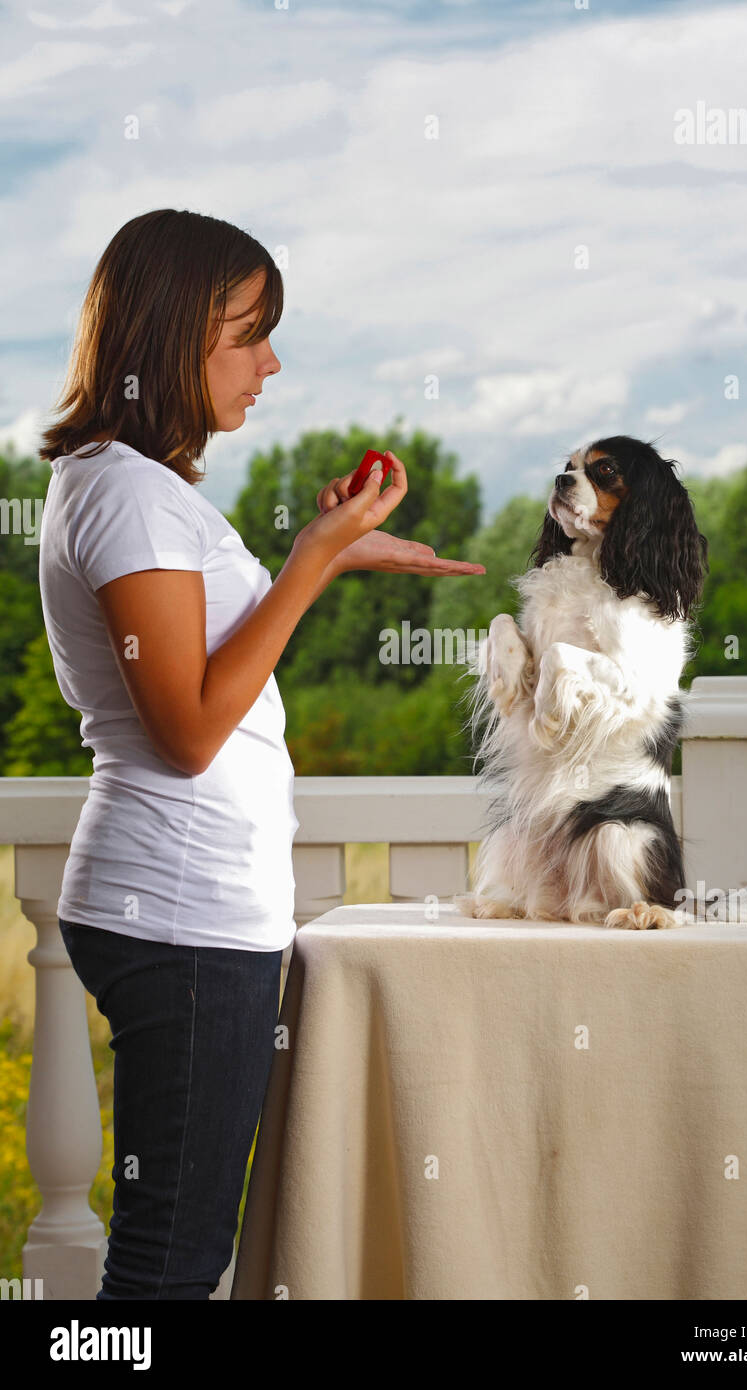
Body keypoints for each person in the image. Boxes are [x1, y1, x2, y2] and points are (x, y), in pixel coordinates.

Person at [37, 207, 485, 1300]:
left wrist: (322, 563)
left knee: (173, 1251)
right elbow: (188, 732)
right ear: (168, 336)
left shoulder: (127, 484)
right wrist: (310, 561)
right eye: (245, 332)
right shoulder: (130, 496)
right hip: (179, 914)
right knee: (166, 1266)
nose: (269, 361)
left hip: (182, 908)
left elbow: (206, 684)